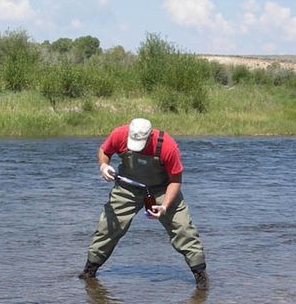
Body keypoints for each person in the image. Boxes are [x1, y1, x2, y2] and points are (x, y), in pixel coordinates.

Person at [79, 117, 209, 290]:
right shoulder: (119, 134)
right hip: (127, 189)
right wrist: (103, 166)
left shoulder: (168, 146)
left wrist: (164, 206)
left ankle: (201, 277)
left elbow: (176, 180)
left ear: (150, 136)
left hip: (162, 189)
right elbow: (104, 150)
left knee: (184, 228)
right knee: (107, 227)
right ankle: (89, 271)